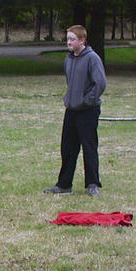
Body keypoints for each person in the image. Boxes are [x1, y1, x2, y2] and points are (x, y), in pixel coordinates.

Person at [44, 25, 107, 196]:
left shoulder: (92, 58)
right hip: (71, 110)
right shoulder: (69, 59)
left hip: (88, 111)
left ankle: (92, 184)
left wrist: (86, 101)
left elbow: (100, 84)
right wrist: (71, 100)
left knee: (89, 147)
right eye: (67, 39)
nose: (69, 42)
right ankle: (64, 185)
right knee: (68, 148)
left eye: (72, 39)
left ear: (82, 40)